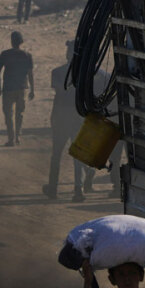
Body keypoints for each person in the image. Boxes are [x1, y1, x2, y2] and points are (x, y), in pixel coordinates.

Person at [46, 43, 95, 202]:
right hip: (78, 117)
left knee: (57, 154)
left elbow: (60, 90)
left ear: (67, 54)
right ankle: (78, 190)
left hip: (61, 117)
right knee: (78, 156)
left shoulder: (57, 72)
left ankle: (53, 188)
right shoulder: (85, 75)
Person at [0, 30, 34, 147]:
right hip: (22, 88)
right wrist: (33, 89)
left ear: (11, 42)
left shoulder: (5, 54)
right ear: (21, 42)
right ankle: (17, 136)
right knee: (20, 113)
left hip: (8, 88)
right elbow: (30, 74)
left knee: (8, 114)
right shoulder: (27, 55)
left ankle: (11, 138)